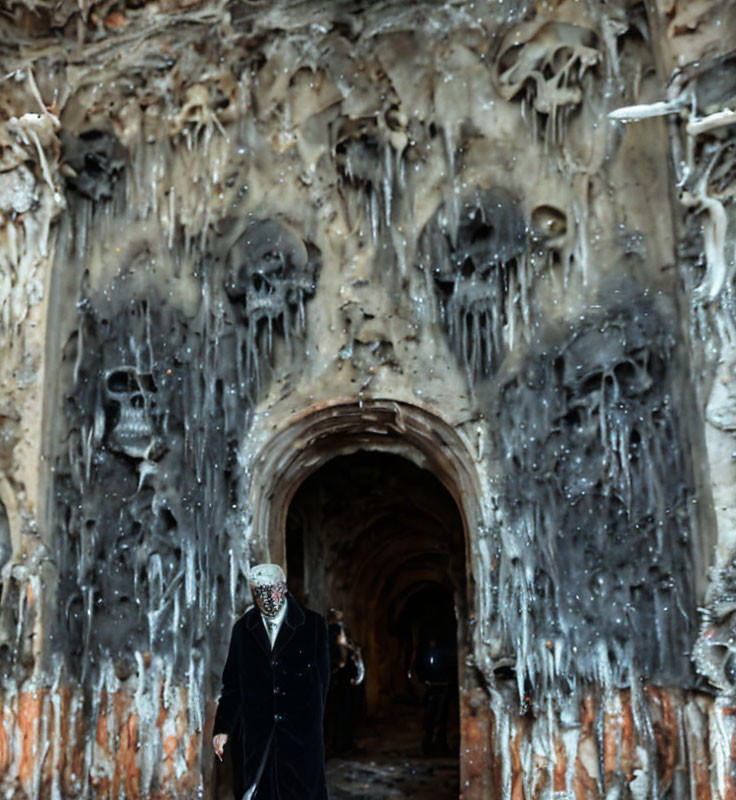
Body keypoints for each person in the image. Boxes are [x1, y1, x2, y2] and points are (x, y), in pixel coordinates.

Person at [213, 564, 330, 799]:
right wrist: (224, 727)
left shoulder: (313, 626)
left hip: (300, 739)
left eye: (271, 589)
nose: (266, 598)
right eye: (258, 592)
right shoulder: (243, 630)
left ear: (283, 588)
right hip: (258, 737)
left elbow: (322, 681)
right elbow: (233, 685)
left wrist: (309, 722)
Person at [324, 608, 365, 755]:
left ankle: (340, 744)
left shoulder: (337, 632)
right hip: (338, 680)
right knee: (338, 713)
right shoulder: (332, 632)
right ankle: (338, 745)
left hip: (340, 680)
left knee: (340, 713)